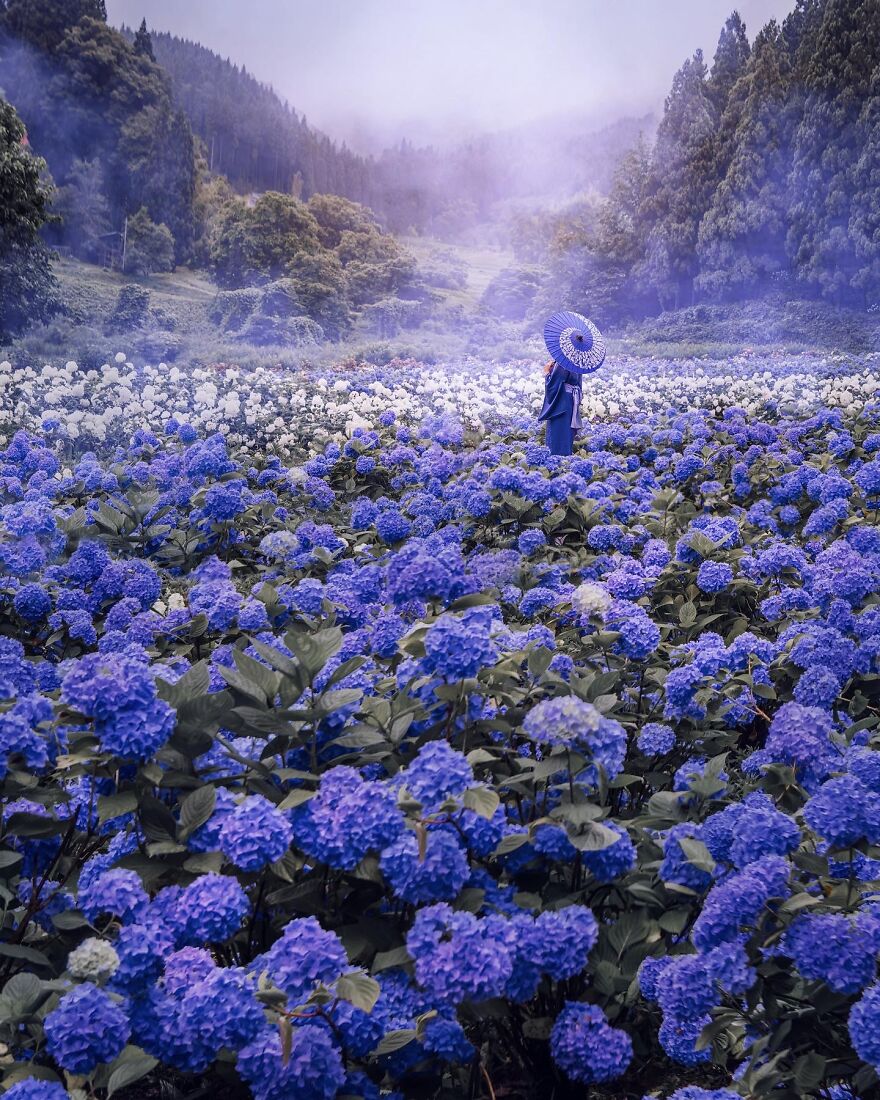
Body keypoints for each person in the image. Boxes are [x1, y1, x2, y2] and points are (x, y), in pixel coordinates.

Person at [538, 357, 582, 456]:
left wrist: (547, 372)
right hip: (571, 401)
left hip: (561, 402)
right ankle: (566, 462)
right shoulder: (577, 360)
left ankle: (557, 463)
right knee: (566, 434)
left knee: (557, 436)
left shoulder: (563, 360)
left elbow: (553, 384)